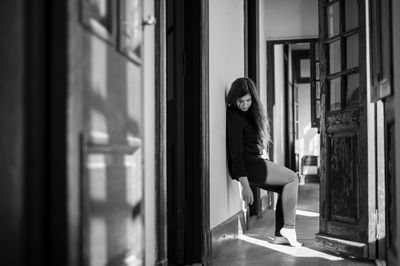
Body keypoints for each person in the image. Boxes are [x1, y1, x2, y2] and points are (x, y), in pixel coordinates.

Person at [226, 77, 302, 247]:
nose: (245, 104)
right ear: (234, 98)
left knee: (286, 186)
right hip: (248, 165)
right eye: (241, 101)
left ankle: (281, 235)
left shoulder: (248, 114)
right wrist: (245, 184)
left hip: (256, 161)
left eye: (248, 100)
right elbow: (235, 153)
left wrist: (263, 153)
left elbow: (253, 142)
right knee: (293, 178)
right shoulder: (233, 116)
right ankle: (289, 228)